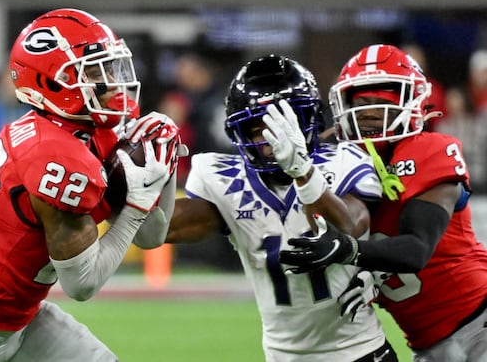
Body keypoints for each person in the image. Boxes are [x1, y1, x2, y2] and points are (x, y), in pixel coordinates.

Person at [0, 8, 182, 362]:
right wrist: (135, 207)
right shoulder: (52, 155)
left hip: (22, 318)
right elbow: (82, 284)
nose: (111, 82)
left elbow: (152, 237)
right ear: (51, 82)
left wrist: (165, 169)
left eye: (111, 67)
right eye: (92, 72)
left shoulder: (92, 133)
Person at [165, 55, 397, 361]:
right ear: (240, 132)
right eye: (258, 128)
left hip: (359, 353)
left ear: (309, 122)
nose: (272, 140)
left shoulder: (344, 162)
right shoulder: (225, 181)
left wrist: (303, 171)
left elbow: (351, 226)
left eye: (287, 125)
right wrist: (146, 185)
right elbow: (158, 230)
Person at [280, 44, 487, 361]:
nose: (370, 112)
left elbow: (416, 249)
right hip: (430, 347)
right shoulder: (341, 164)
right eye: (361, 102)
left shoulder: (430, 150)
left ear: (414, 101)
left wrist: (352, 253)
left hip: (479, 322)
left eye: (382, 101)